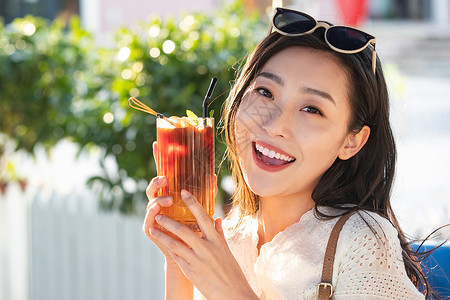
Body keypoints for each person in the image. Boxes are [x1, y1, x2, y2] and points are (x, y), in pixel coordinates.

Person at [143, 7, 429, 300]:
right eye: (265, 93)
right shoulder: (228, 238)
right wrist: (178, 259)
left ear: (351, 142)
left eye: (311, 109)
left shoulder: (362, 242)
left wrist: (234, 291)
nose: (276, 125)